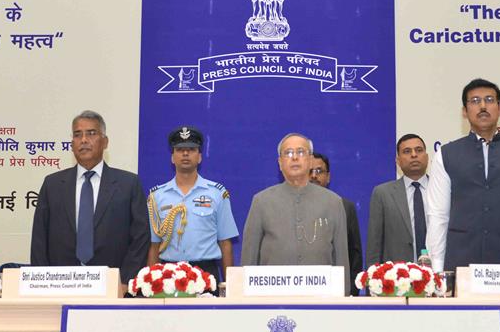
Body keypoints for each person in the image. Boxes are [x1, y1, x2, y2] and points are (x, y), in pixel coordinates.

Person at [425, 79, 500, 272]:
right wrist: (438, 269)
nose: (482, 106)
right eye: (474, 101)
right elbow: (438, 216)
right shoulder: (446, 155)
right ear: (464, 111)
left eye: (489, 100)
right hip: (461, 262)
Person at [30, 110, 148, 282]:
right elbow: (39, 239)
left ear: (105, 142)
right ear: (72, 143)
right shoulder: (52, 184)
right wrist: (42, 281)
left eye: (91, 133)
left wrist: (124, 281)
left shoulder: (128, 184)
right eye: (78, 135)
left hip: (111, 284)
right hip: (60, 283)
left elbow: (140, 237)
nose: (84, 140)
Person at [241, 133, 350, 291]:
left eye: (300, 152)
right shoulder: (261, 201)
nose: (294, 158)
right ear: (280, 163)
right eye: (288, 153)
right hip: (272, 297)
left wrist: (343, 298)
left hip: (321, 298)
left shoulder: (333, 202)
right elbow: (249, 259)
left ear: (310, 160)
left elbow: (341, 260)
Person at [147, 125, 238, 279]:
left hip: (206, 273)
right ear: (172, 157)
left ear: (200, 157)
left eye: (191, 149)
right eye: (179, 149)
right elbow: (154, 246)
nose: (185, 153)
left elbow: (225, 243)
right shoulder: (157, 196)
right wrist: (150, 281)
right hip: (168, 274)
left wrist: (229, 285)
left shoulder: (217, 193)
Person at [366, 133, 431, 267]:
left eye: (419, 150)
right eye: (407, 151)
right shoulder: (383, 193)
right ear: (397, 161)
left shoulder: (443, 190)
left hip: (438, 277)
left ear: (427, 157)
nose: (414, 155)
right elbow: (374, 245)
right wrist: (371, 284)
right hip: (398, 281)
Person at [309, 151, 363, 275]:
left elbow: (355, 255)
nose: (313, 176)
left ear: (328, 177)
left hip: (335, 285)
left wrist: (350, 292)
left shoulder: (344, 207)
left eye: (319, 171)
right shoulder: (292, 206)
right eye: (309, 171)